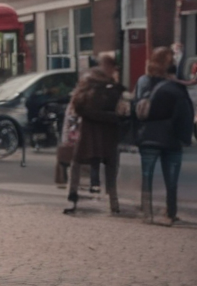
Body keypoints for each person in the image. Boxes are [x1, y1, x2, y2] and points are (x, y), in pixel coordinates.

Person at [135, 47, 195, 225]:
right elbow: (186, 114)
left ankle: (147, 213)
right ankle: (170, 212)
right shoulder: (176, 87)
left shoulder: (144, 82)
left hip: (148, 137)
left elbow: (136, 107)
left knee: (147, 176)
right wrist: (184, 138)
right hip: (172, 139)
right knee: (171, 179)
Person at [63, 62, 123, 215]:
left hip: (86, 135)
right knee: (110, 168)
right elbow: (120, 113)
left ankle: (72, 197)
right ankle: (113, 202)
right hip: (108, 136)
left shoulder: (83, 92)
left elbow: (76, 111)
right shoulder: (113, 91)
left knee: (76, 165)